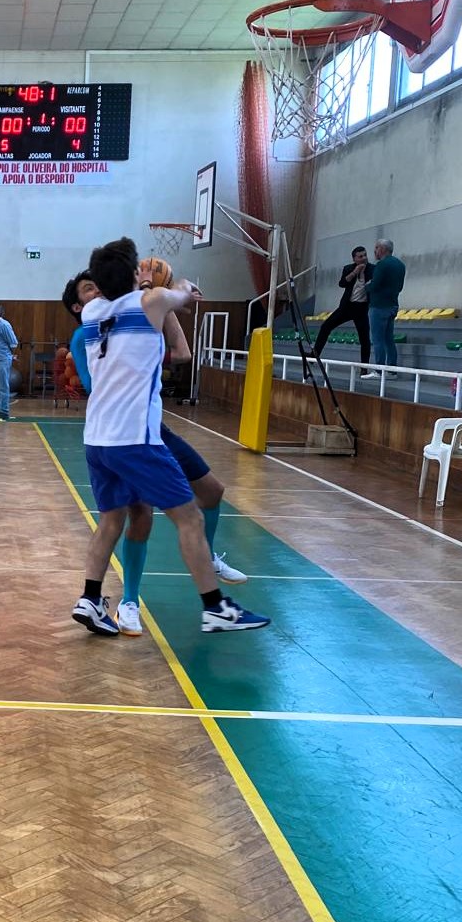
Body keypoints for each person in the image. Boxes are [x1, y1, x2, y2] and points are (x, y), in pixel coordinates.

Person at [69, 238, 270, 638]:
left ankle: (90, 598)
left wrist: (143, 286)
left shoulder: (92, 312)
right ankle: (216, 608)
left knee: (111, 519)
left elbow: (145, 305)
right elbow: (181, 294)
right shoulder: (153, 300)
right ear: (133, 273)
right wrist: (174, 286)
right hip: (136, 439)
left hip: (97, 440)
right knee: (189, 517)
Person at [313, 246, 372, 368]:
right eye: (360, 256)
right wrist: (354, 273)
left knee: (364, 338)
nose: (364, 258)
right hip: (347, 306)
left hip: (361, 308)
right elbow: (342, 284)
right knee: (326, 326)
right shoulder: (348, 268)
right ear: (354, 259)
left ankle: (364, 367)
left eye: (365, 255)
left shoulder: (372, 269)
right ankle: (315, 355)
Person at [364, 238, 406, 378]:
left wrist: (367, 286)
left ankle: (379, 370)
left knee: (378, 339)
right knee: (389, 339)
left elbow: (374, 285)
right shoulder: (400, 265)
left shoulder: (381, 265)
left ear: (382, 249)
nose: (374, 251)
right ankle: (392, 370)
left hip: (379, 305)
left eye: (376, 248)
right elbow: (400, 287)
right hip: (393, 304)